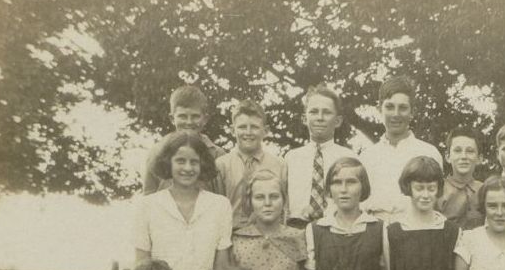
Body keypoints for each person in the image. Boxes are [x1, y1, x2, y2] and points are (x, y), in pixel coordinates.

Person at [134, 132, 232, 270]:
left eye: (194, 162)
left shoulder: (220, 205)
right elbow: (141, 269)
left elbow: (221, 269)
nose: (187, 168)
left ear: (202, 165)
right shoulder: (147, 206)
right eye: (180, 161)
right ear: (168, 163)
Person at [359, 75, 443, 221]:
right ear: (380, 109)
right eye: (390, 107)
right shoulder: (367, 156)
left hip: (415, 230)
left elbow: (434, 201)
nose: (396, 114)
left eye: (403, 108)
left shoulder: (429, 153)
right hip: (374, 231)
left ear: (412, 112)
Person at [283, 85, 355, 227]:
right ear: (304, 118)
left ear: (338, 121)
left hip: (336, 228)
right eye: (314, 112)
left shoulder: (349, 157)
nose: (320, 118)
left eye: (327, 112)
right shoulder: (291, 158)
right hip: (297, 229)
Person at [214, 99, 288, 230]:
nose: (248, 132)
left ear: (265, 131)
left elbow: (284, 208)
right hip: (230, 234)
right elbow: (215, 207)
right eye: (242, 127)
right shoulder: (221, 165)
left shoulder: (280, 165)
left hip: (267, 235)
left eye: (254, 127)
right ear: (232, 130)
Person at [142, 85, 226, 195]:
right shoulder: (157, 152)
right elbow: (148, 197)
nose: (189, 122)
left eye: (195, 116)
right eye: (182, 116)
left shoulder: (218, 155)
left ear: (205, 119)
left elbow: (223, 196)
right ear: (172, 118)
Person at [438, 126, 484, 230]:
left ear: (479, 158)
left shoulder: (485, 190)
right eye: (457, 151)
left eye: (470, 151)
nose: (463, 156)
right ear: (448, 157)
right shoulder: (438, 190)